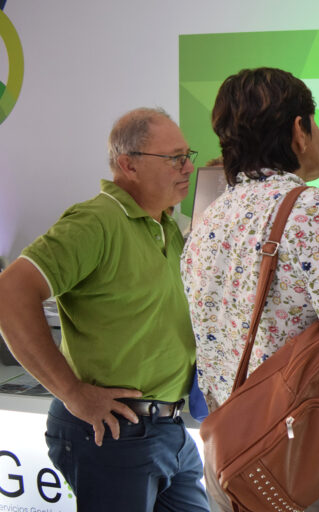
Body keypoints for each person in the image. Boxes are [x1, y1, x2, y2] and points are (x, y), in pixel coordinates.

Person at [182, 67, 319, 512]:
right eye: (314, 122)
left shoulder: (208, 220)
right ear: (299, 131)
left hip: (229, 460)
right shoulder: (312, 211)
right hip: (300, 461)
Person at [0, 108, 208, 511]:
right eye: (174, 158)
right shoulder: (96, 221)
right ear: (128, 164)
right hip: (114, 433)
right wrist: (72, 392)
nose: (188, 167)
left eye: (188, 155)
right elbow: (9, 294)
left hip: (170, 430)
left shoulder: (166, 226)